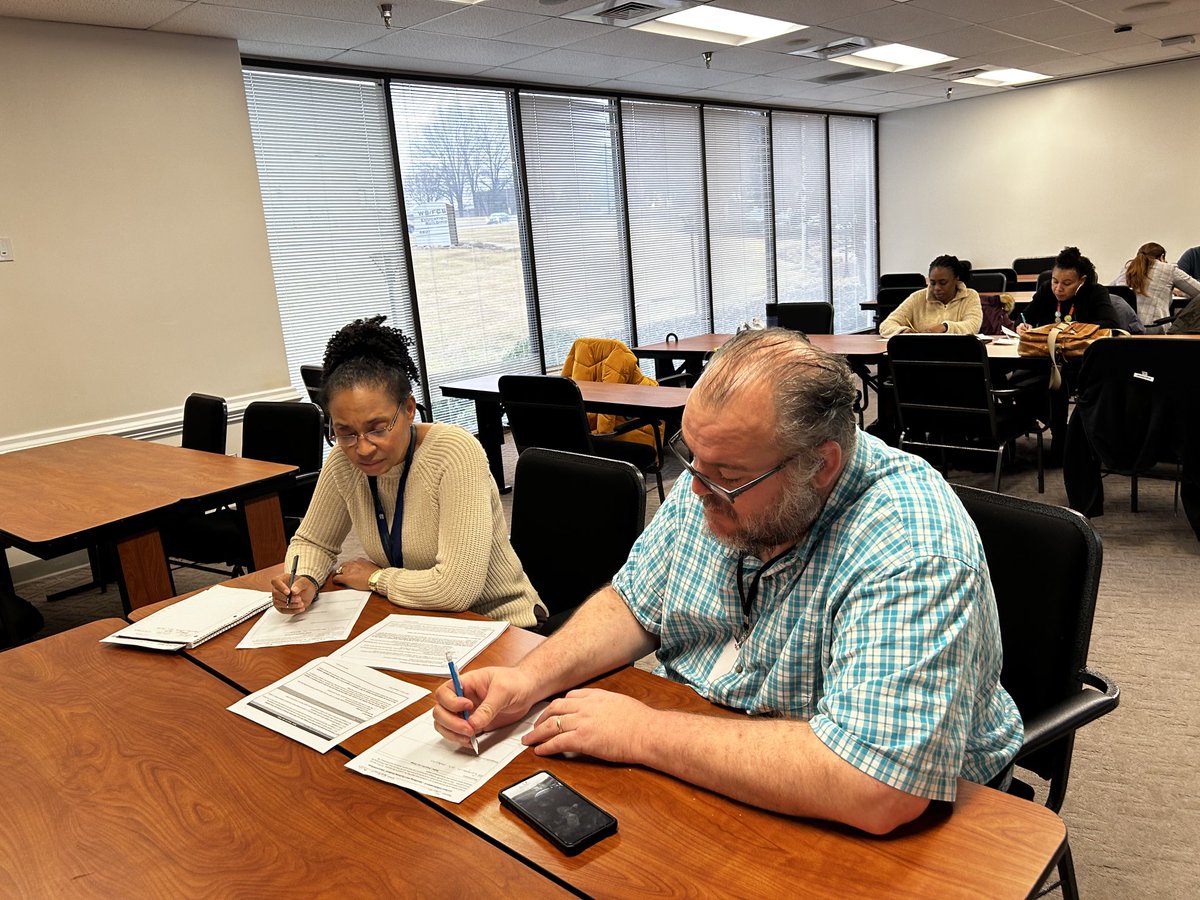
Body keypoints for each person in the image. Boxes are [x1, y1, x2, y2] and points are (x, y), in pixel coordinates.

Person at [433, 329, 1022, 835]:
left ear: (820, 466)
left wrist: (644, 733)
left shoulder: (909, 545)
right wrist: (527, 678)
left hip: (876, 814)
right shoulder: (723, 473)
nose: (696, 490)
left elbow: (876, 786)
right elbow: (636, 602)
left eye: (727, 476)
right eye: (692, 461)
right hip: (716, 739)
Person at [270, 316, 543, 628]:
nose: (362, 448)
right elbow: (313, 542)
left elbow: (455, 590)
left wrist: (375, 577)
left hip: (499, 623)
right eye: (345, 432)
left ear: (409, 409)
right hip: (414, 619)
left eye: (377, 428)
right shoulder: (342, 461)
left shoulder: (454, 452)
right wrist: (304, 579)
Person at [1016, 246, 1119, 332]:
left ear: (1082, 280)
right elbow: (1025, 316)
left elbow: (1111, 324)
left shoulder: (1095, 292)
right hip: (1045, 350)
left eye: (1067, 283)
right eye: (1055, 281)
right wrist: (1022, 325)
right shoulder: (1046, 289)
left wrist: (1072, 329)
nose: (1058, 288)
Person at [879, 255, 982, 337]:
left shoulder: (970, 296)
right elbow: (886, 325)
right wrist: (902, 331)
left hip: (958, 355)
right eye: (932, 283)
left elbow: (972, 325)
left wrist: (945, 327)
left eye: (943, 282)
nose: (936, 288)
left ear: (956, 279)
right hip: (921, 356)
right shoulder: (918, 298)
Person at [1112, 242, 1200, 332]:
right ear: (1162, 257)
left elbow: (1112, 292)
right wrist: (1181, 292)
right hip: (1155, 327)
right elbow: (1198, 291)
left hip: (1127, 328)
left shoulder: (1128, 269)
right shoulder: (1169, 269)